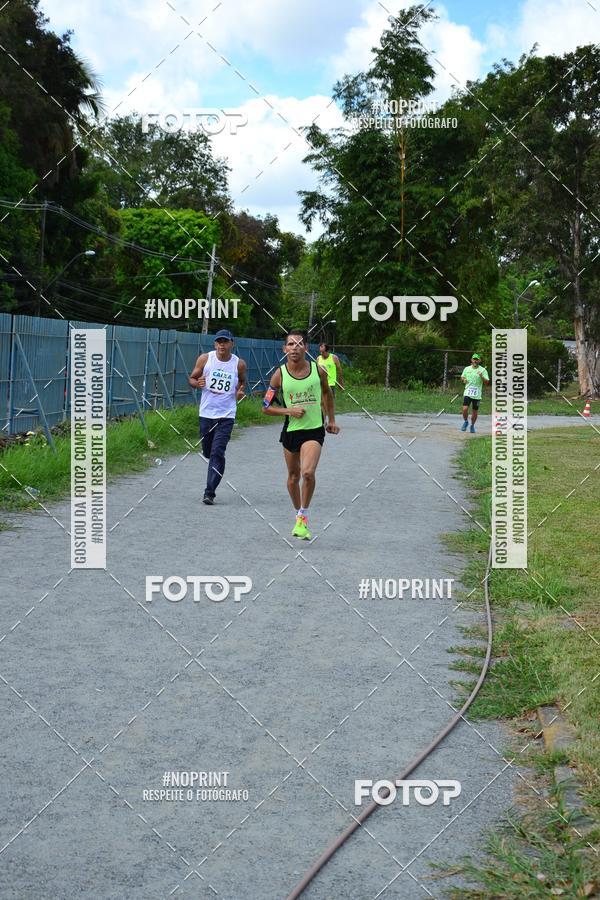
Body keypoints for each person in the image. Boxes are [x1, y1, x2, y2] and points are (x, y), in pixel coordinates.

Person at [263, 330, 340, 540]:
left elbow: (327, 393)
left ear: (306, 348)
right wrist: (289, 411)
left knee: (307, 473)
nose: (294, 348)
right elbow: (265, 407)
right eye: (290, 344)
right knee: (293, 477)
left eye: (299, 344)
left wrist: (331, 420)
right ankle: (299, 516)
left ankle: (303, 516)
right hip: (291, 431)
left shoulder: (319, 370)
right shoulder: (279, 374)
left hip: (313, 430)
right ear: (284, 349)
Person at [188, 329, 247, 504]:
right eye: (219, 341)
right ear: (215, 344)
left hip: (226, 415)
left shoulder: (239, 364)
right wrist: (197, 383)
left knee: (217, 452)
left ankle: (209, 492)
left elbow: (243, 381)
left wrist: (240, 390)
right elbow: (192, 378)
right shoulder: (205, 359)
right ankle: (213, 461)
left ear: (231, 344)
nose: (222, 344)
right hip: (206, 413)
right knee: (207, 451)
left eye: (225, 341)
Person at [460, 353, 489, 433]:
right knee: (465, 409)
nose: (475, 361)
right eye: (474, 359)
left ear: (479, 360)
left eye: (477, 359)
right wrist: (464, 380)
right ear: (471, 360)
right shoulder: (467, 369)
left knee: (474, 412)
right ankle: (466, 421)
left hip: (477, 395)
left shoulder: (483, 370)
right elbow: (462, 377)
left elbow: (487, 382)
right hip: (468, 392)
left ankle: (472, 425)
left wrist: (481, 376)